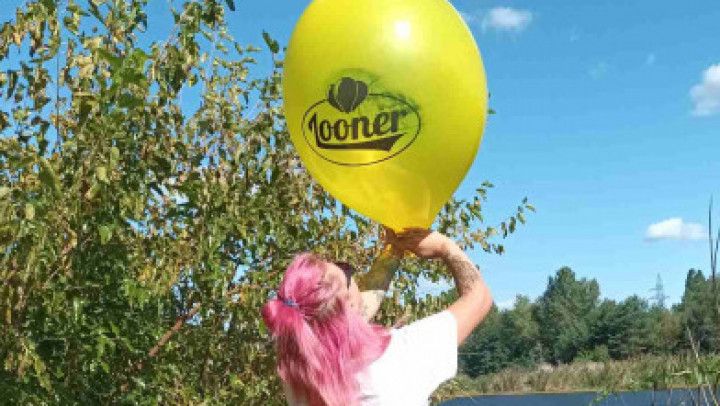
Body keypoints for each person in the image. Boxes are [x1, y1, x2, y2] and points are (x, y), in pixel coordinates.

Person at [261, 229, 493, 406]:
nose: (353, 275)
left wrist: (393, 250)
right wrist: (445, 246)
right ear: (347, 304)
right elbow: (479, 298)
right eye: (346, 272)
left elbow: (352, 313)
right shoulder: (402, 356)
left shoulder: (299, 374)